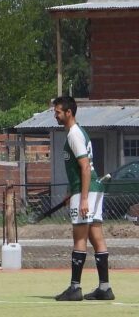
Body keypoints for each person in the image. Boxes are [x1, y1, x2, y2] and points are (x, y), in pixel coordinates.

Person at [52, 96, 114, 301]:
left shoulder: (74, 134)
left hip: (87, 191)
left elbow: (85, 167)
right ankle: (104, 288)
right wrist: (74, 192)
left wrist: (83, 198)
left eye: (58, 112)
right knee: (97, 236)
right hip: (92, 188)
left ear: (69, 112)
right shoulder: (78, 132)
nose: (56, 115)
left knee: (79, 237)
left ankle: (75, 288)